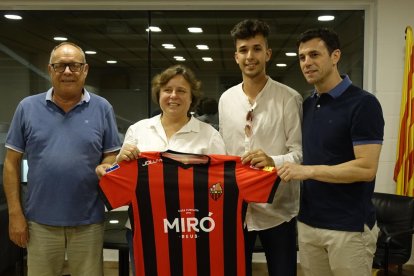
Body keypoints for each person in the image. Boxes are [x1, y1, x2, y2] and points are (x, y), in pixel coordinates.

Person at [3, 42, 121, 276]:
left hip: (89, 221)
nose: (67, 71)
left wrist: (106, 165)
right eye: (60, 66)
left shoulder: (102, 108)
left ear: (85, 70)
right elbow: (11, 163)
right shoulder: (27, 108)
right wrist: (15, 213)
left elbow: (111, 153)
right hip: (40, 221)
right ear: (50, 70)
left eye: (74, 66)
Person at [96, 64, 226, 275]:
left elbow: (220, 185)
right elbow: (121, 178)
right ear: (159, 94)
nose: (173, 95)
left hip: (193, 230)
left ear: (192, 97)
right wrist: (111, 167)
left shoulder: (209, 135)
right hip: (146, 230)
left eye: (181, 90)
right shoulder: (138, 130)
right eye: (167, 90)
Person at [278, 28, 384, 276]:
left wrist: (308, 171)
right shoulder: (307, 105)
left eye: (314, 54)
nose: (307, 63)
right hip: (308, 223)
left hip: (349, 228)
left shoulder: (363, 103)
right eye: (302, 57)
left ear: (335, 56)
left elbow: (366, 168)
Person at [219, 19, 303, 276]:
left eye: (256, 49)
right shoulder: (226, 99)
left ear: (267, 53)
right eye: (243, 50)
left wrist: (272, 161)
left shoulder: (289, 98)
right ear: (235, 57)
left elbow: (300, 154)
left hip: (278, 209)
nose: (250, 56)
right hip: (235, 208)